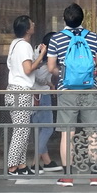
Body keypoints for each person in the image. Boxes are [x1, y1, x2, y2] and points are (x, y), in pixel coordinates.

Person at [46, 3, 97, 186]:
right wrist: (89, 75)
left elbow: (50, 68)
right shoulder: (93, 37)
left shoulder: (56, 39)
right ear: (83, 19)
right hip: (89, 90)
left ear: (64, 19)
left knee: (67, 133)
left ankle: (67, 176)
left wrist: (64, 75)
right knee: (93, 131)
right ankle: (95, 175)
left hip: (67, 91)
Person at [5, 16, 46, 177]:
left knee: (22, 130)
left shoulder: (15, 44)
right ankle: (11, 166)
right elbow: (28, 69)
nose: (34, 24)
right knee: (21, 130)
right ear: (27, 29)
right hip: (21, 91)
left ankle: (21, 165)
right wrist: (42, 55)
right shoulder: (24, 45)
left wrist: (37, 56)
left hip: (13, 89)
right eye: (31, 23)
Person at [32, 32, 61, 173]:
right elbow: (37, 77)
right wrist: (50, 84)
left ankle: (47, 162)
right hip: (42, 95)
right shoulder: (45, 56)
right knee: (48, 128)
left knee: (40, 129)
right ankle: (34, 163)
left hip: (34, 95)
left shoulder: (36, 50)